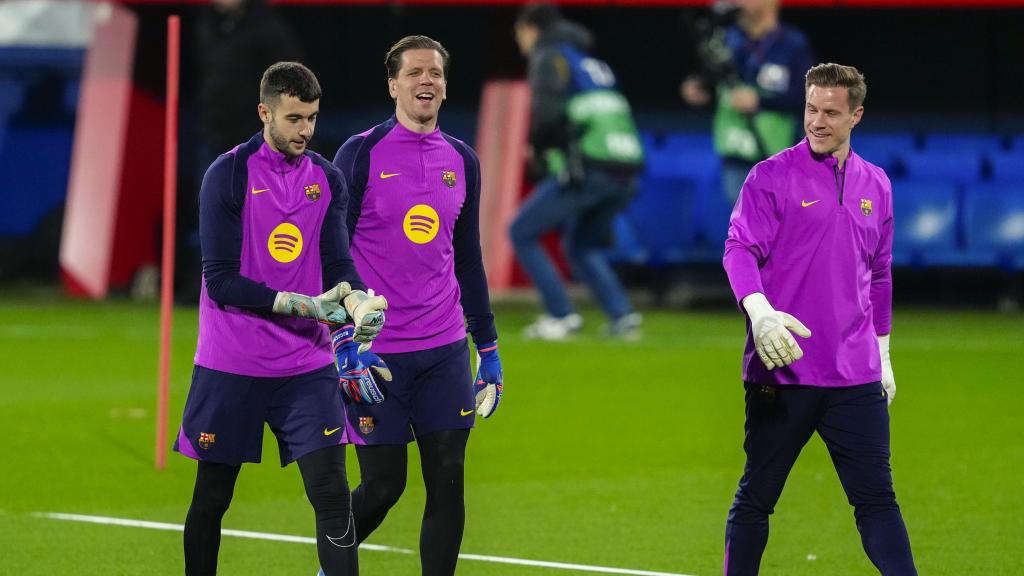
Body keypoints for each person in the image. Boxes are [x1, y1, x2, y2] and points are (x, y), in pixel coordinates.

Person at [174, 61, 387, 576]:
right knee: (212, 499)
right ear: (265, 112)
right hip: (232, 364)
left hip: (305, 367)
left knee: (333, 495)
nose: (305, 130)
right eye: (294, 118)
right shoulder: (226, 175)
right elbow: (221, 279)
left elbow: (337, 265)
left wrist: (357, 303)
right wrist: (302, 304)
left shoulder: (326, 177)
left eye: (312, 118)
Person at [721, 63, 917, 575]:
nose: (818, 121)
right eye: (811, 109)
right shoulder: (770, 176)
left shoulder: (878, 184)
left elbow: (879, 275)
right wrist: (760, 313)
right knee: (757, 499)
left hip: (855, 374)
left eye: (831, 112)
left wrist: (884, 354)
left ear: (857, 114)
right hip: (783, 369)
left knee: (877, 500)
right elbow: (739, 249)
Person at [326, 36, 503, 576]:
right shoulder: (359, 154)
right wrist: (341, 342)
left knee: (448, 475)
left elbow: (468, 259)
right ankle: (330, 567)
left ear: (446, 86)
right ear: (393, 85)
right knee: (383, 485)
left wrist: (488, 347)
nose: (426, 81)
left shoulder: (462, 160)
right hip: (375, 353)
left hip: (445, 349)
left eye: (436, 74)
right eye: (415, 73)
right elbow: (330, 255)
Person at [510, 2, 645, 341]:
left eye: (521, 36)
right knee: (581, 245)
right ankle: (622, 315)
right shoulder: (592, 62)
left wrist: (537, 147)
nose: (521, 45)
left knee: (521, 231)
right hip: (626, 169)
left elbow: (547, 114)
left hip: (590, 166)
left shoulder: (548, 56)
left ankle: (561, 315)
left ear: (530, 29)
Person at [681, 0, 815, 205]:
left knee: (779, 229)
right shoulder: (727, 41)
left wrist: (760, 101)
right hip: (736, 152)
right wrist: (698, 89)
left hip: (776, 155)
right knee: (749, 227)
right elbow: (711, 80)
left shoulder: (792, 44)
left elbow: (808, 97)